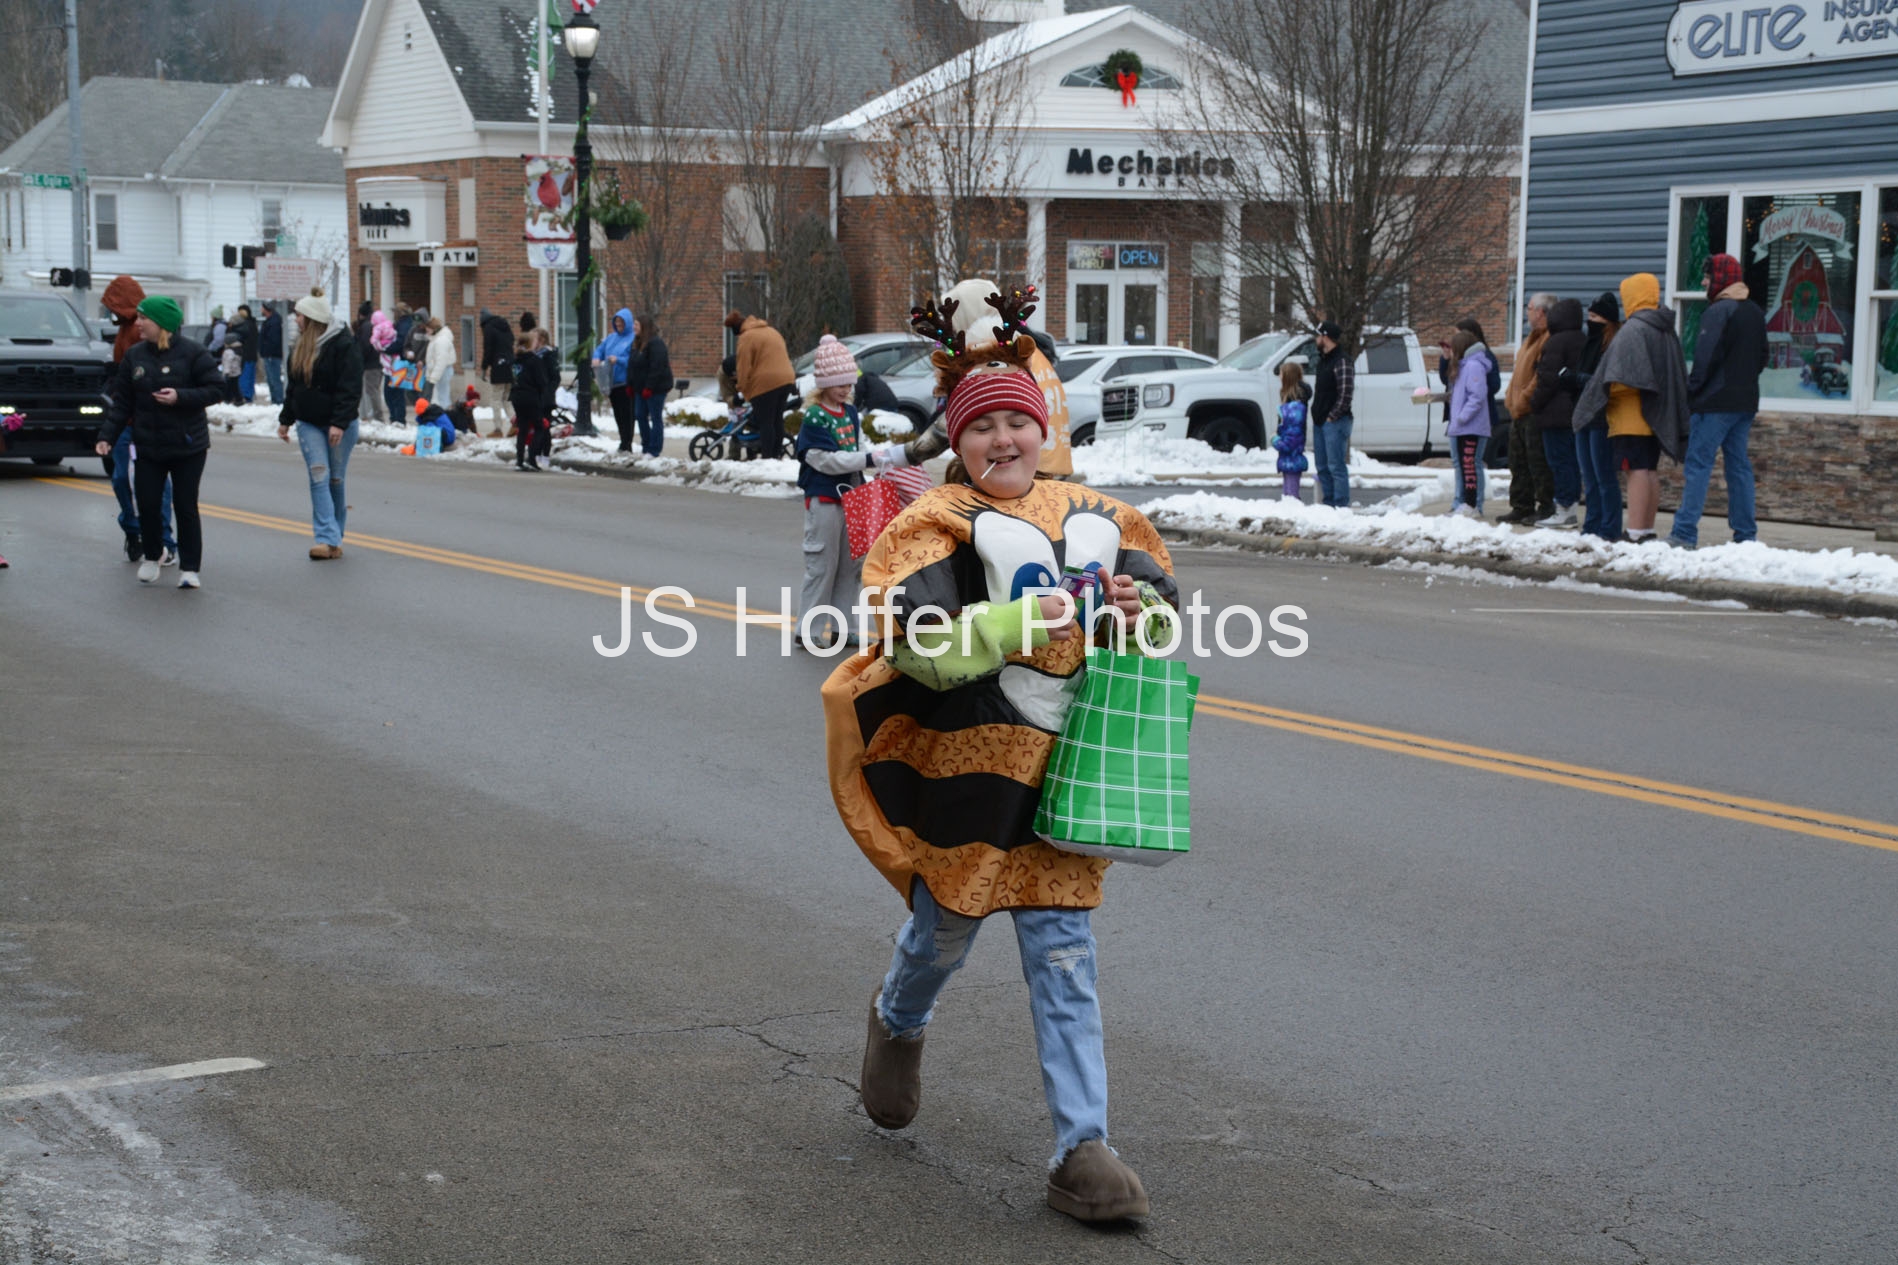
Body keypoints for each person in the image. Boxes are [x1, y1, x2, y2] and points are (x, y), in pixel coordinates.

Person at [821, 365, 1178, 1225]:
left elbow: (1163, 616)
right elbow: (914, 643)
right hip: (967, 782)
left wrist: (1139, 616)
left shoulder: (1102, 515)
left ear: (1042, 429)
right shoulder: (934, 522)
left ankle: (1083, 1148)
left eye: (1017, 421)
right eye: (981, 426)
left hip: (1065, 781)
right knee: (941, 935)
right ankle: (897, 1021)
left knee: (1064, 956)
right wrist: (1014, 622)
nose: (1003, 439)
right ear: (959, 440)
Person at [93, 296, 220, 590]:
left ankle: (190, 568)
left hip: (188, 444)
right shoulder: (134, 356)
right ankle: (153, 556)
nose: (138, 323)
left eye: (143, 318)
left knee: (185, 506)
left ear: (161, 323)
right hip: (148, 444)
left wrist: (180, 397)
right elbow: (122, 403)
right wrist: (106, 436)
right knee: (148, 503)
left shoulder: (193, 353)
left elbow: (215, 389)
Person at [794, 336, 903, 649]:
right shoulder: (815, 417)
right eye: (839, 384)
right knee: (822, 565)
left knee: (851, 567)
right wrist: (866, 459)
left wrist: (873, 462)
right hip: (824, 499)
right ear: (825, 383)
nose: (845, 389)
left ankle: (845, 628)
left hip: (852, 496)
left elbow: (856, 448)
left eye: (848, 383)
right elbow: (824, 460)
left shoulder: (850, 412)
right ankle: (809, 629)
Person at [1574, 273, 1688, 543]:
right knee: (1649, 470)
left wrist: (1603, 392)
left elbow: (1622, 377)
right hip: (1655, 415)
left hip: (1630, 416)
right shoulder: (1664, 328)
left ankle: (1635, 531)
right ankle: (1646, 529)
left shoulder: (1633, 330)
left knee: (1635, 471)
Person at [1671, 252, 1766, 549]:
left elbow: (1705, 359)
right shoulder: (1754, 311)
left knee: (1698, 465)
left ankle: (1684, 533)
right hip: (1745, 402)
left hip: (1714, 403)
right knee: (1738, 467)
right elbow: (1764, 357)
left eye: (1708, 276)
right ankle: (1745, 535)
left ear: (1721, 279)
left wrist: (1691, 393)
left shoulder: (1717, 312)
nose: (1703, 282)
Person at [275, 290, 364, 560]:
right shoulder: (300, 347)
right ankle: (326, 538)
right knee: (318, 475)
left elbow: (350, 388)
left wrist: (339, 423)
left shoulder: (344, 345)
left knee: (335, 479)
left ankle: (334, 541)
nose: (296, 320)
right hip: (309, 423)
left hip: (340, 424)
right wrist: (285, 420)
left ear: (312, 318)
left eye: (299, 315)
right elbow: (294, 388)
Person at [99, 274, 176, 566]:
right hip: (126, 420)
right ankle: (136, 532)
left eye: (114, 303)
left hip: (149, 422)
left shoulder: (143, 333)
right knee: (123, 479)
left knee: (153, 484)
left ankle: (163, 539)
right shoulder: (123, 331)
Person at [1567, 292, 1623, 540]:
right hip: (1583, 415)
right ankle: (1592, 524)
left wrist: (1579, 379)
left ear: (1607, 320)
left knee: (1604, 476)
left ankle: (1609, 527)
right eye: (1589, 316)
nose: (1590, 321)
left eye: (1595, 317)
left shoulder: (1613, 344)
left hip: (1602, 417)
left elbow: (1606, 381)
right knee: (1589, 477)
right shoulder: (1589, 343)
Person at [1502, 294, 1558, 524]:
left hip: (1532, 411)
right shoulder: (1530, 339)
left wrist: (1523, 399)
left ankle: (1545, 506)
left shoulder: (1548, 339)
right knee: (1517, 461)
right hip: (1518, 411)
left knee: (1537, 462)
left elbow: (1538, 377)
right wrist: (1510, 397)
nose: (1527, 312)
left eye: (1530, 308)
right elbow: (1519, 374)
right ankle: (1521, 505)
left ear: (1541, 312)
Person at [1530, 298, 1586, 528]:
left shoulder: (1555, 342)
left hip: (1555, 412)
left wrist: (1535, 402)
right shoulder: (1582, 339)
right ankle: (1570, 506)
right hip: (1575, 409)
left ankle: (1563, 507)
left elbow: (1547, 378)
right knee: (1571, 462)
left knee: (1558, 461)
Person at [727, 310, 795, 458]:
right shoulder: (772, 331)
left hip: (766, 383)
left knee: (766, 422)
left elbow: (743, 367)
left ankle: (767, 457)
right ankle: (776, 456)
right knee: (777, 420)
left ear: (737, 329)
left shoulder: (746, 337)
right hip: (787, 379)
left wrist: (741, 389)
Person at [1446, 328, 1496, 517]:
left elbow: (1477, 396)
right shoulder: (1464, 365)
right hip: (1462, 427)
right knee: (1464, 464)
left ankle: (1472, 504)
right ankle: (1467, 503)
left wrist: (1462, 416)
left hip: (1471, 427)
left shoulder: (1474, 366)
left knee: (1469, 465)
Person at [1308, 319, 1355, 508]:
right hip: (1320, 421)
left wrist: (1332, 416)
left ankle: (1340, 505)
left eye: (1318, 336)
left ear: (1326, 337)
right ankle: (1328, 504)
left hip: (1335, 422)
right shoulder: (1323, 361)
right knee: (1322, 466)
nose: (1316, 339)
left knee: (1336, 466)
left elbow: (1346, 394)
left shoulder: (1342, 361)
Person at [510, 328, 554, 471]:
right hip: (531, 397)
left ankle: (519, 460)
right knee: (539, 427)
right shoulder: (534, 360)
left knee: (522, 428)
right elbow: (542, 381)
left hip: (516, 396)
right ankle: (531, 459)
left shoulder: (515, 360)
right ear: (530, 344)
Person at [595, 308, 636, 452]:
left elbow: (634, 360)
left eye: (621, 322)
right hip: (612, 382)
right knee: (618, 414)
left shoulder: (633, 339)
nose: (618, 324)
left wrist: (618, 360)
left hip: (626, 383)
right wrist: (596, 358)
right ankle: (623, 440)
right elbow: (600, 350)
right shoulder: (611, 338)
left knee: (627, 415)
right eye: (616, 321)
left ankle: (627, 443)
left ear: (628, 322)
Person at [633, 314, 672, 458]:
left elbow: (657, 367)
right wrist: (631, 384)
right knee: (640, 415)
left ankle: (654, 449)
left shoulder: (656, 343)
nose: (634, 327)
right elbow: (633, 366)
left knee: (655, 418)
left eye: (636, 324)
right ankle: (646, 446)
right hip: (640, 388)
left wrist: (649, 387)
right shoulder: (637, 344)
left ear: (644, 327)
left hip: (656, 389)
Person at [1272, 360, 1309, 502]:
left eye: (1281, 374)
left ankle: (1292, 507)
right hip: (1291, 452)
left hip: (1291, 451)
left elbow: (1292, 434)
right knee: (1288, 489)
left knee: (1291, 493)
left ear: (1287, 377)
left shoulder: (1294, 406)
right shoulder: (1291, 400)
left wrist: (1276, 440)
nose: (1279, 377)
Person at [479, 308, 516, 438]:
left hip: (498, 367)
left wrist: (484, 368)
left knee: (495, 399)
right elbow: (512, 340)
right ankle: (515, 423)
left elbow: (488, 350)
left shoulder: (488, 328)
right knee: (506, 399)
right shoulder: (505, 325)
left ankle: (497, 429)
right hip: (510, 365)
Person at [354, 301, 390, 423]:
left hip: (370, 364)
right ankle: (372, 415)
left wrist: (359, 359)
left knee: (371, 390)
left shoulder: (366, 327)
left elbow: (364, 346)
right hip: (376, 362)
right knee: (372, 390)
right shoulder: (373, 326)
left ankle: (377, 417)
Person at [424, 316, 456, 410]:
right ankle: (445, 413)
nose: (426, 331)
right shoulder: (437, 338)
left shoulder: (441, 340)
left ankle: (446, 414)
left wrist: (434, 377)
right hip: (442, 370)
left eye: (428, 329)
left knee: (443, 396)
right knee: (442, 395)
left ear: (434, 328)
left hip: (443, 371)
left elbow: (441, 361)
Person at [229, 304, 259, 403]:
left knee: (245, 376)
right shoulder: (253, 323)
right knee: (250, 377)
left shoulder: (244, 326)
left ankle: (245, 396)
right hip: (253, 354)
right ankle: (249, 395)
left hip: (246, 354)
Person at [259, 304, 284, 405]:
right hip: (269, 354)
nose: (261, 310)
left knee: (274, 379)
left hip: (272, 355)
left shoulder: (274, 322)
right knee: (271, 379)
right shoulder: (270, 321)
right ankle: (275, 400)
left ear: (267, 309)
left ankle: (278, 400)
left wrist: (267, 351)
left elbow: (274, 340)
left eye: (262, 308)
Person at [219, 336, 244, 404]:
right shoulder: (237, 349)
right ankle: (238, 399)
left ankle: (228, 399)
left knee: (228, 387)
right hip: (236, 371)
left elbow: (228, 362)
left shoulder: (228, 351)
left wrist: (226, 372)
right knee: (235, 387)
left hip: (230, 372)